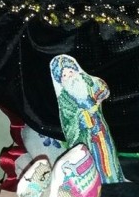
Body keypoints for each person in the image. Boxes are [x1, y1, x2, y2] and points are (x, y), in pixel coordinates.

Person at [50, 55, 124, 183]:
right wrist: (81, 116)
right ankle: (95, 183)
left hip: (101, 130)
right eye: (64, 75)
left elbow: (103, 89)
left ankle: (114, 179)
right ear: (60, 80)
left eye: (71, 71)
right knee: (92, 159)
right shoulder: (64, 99)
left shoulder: (87, 83)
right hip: (85, 137)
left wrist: (98, 99)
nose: (69, 77)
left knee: (108, 155)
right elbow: (68, 122)